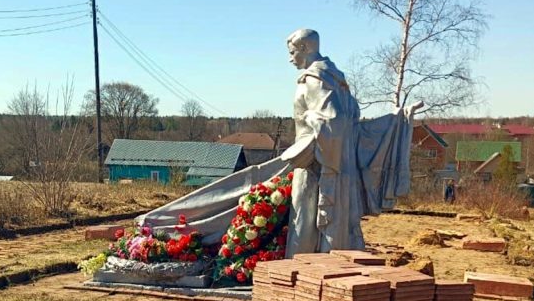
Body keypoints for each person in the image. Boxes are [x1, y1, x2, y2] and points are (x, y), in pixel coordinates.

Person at [138, 28, 421, 254]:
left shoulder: (315, 80)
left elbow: (331, 123)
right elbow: (353, 126)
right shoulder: (339, 81)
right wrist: (398, 117)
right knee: (321, 224)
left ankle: (304, 270)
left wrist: (310, 122)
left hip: (317, 167)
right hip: (336, 165)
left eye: (292, 52)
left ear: (306, 49)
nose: (290, 58)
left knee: (304, 223)